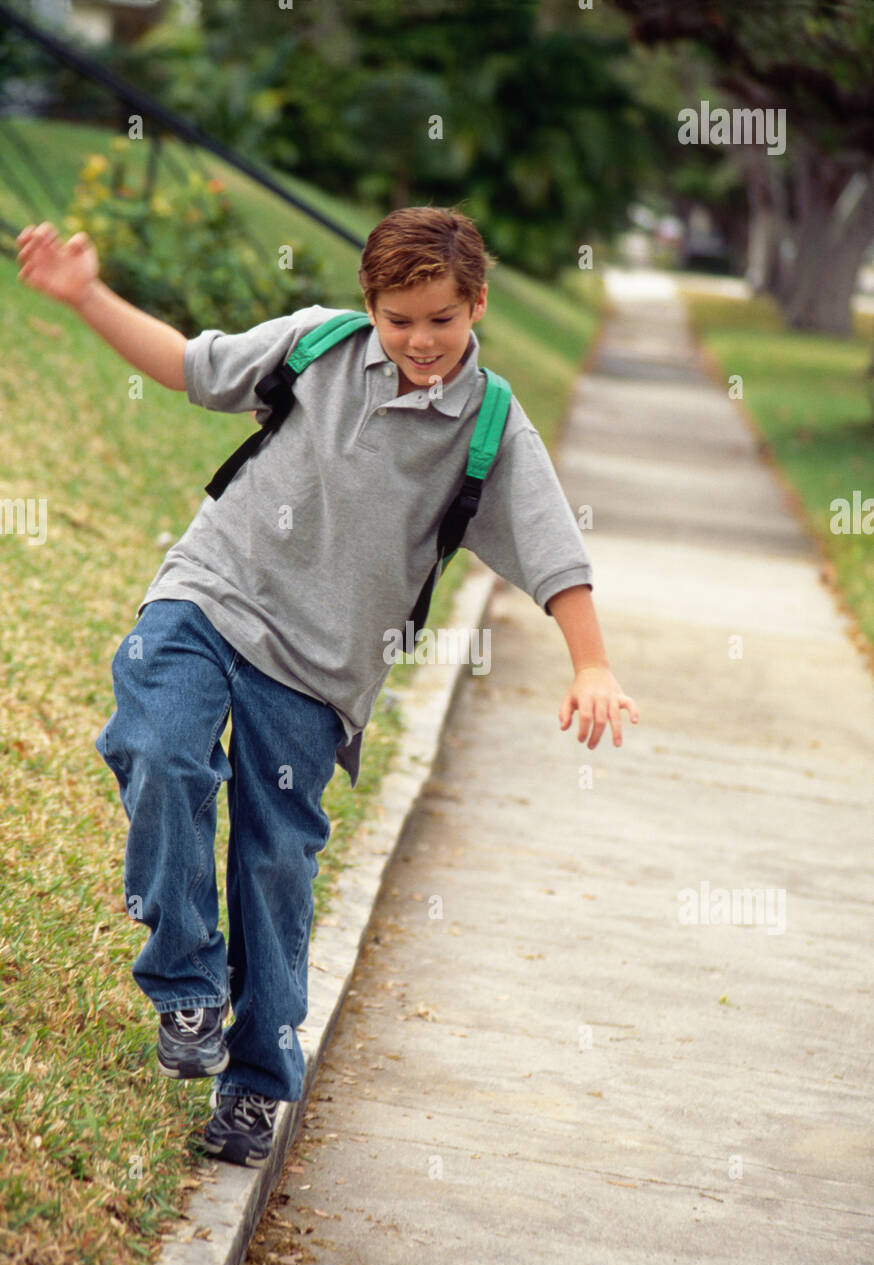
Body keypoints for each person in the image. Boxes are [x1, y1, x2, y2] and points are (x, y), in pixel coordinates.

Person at [15, 205, 639, 1167]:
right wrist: (87, 293)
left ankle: (258, 1084)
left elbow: (557, 556)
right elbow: (190, 366)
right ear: (371, 307)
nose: (420, 340)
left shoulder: (491, 430)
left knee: (274, 866)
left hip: (319, 674)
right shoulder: (316, 345)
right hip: (211, 593)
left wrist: (591, 663)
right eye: (399, 318)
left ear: (477, 304)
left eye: (441, 318)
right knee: (157, 745)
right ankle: (186, 984)